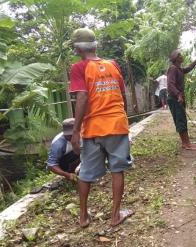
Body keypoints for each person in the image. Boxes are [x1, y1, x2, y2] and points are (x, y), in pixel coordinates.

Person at [69, 28, 133, 228]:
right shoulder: (113, 65)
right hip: (116, 125)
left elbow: (82, 97)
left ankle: (83, 217)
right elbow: (122, 95)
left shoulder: (79, 68)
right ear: (96, 45)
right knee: (117, 169)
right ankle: (115, 216)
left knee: (86, 172)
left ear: (78, 50)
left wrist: (75, 130)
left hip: (93, 128)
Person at [166, 49, 196, 150]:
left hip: (178, 98)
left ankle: (186, 143)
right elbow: (170, 85)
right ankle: (186, 144)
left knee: (182, 119)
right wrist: (178, 95)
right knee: (181, 120)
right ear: (176, 58)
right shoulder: (173, 69)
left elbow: (189, 68)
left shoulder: (179, 69)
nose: (182, 56)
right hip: (175, 99)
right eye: (180, 55)